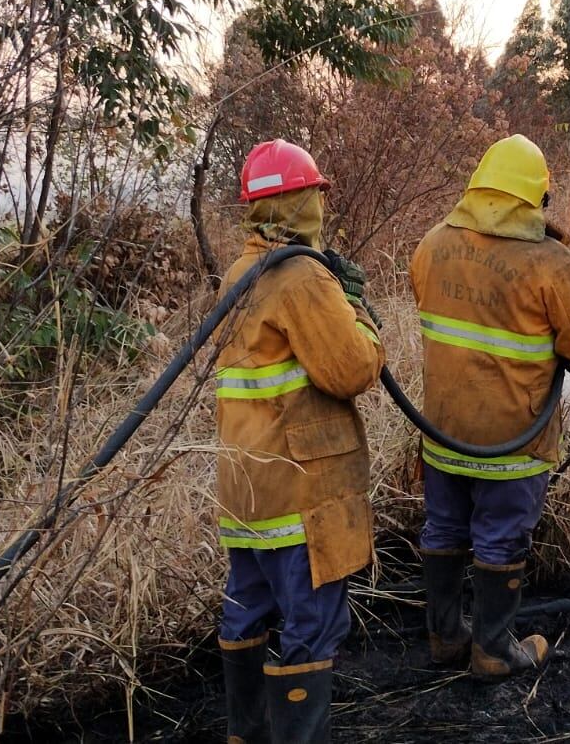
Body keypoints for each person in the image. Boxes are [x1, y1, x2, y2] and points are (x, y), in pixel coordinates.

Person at [409, 133, 570, 678]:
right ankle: (493, 650)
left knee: (445, 529)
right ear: (534, 201)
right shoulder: (550, 263)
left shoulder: (431, 245)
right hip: (513, 441)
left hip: (443, 434)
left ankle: (446, 638)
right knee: (501, 536)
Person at [214, 139, 383, 743]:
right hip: (301, 490)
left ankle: (247, 734)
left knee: (248, 607)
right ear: (300, 200)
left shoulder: (240, 273)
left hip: (245, 488)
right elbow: (353, 370)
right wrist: (358, 310)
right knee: (310, 625)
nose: (319, 203)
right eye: (314, 193)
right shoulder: (302, 276)